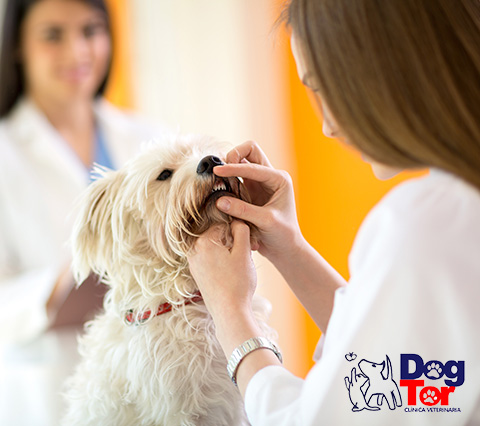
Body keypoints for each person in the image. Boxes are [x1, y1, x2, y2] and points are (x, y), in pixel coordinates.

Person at [187, 0, 480, 425]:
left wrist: (232, 314)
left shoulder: (429, 223)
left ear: (388, 65)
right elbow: (404, 373)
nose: (327, 125)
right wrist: (290, 249)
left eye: (325, 86)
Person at [0, 1, 167, 425]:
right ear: (18, 45)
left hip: (156, 374)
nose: (77, 52)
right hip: (51, 386)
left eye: (90, 31)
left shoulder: (149, 139)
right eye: (53, 35)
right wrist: (55, 290)